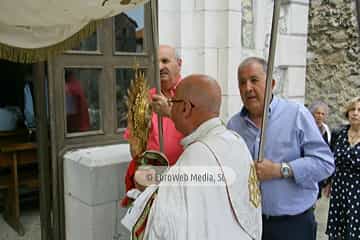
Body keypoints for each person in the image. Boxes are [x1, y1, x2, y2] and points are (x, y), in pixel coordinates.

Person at [123, 74, 262, 240]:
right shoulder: (234, 140)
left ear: (185, 108)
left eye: (172, 103)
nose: (170, 109)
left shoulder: (198, 153)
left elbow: (165, 221)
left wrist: (145, 186)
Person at [227, 57, 334, 240]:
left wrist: (280, 170)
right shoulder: (234, 125)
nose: (248, 88)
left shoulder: (297, 114)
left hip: (292, 225)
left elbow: (325, 164)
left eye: (254, 80)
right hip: (250, 225)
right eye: (242, 82)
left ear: (272, 83)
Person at [122, 45, 184, 205]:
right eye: (157, 62)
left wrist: (169, 111)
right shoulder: (144, 99)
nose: (161, 67)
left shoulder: (191, 92)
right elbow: (135, 148)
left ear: (179, 63)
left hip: (186, 176)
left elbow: (200, 131)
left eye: (165, 61)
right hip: (153, 179)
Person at [326, 97, 360, 240]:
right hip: (339, 187)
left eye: (359, 110)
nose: (355, 113)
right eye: (352, 109)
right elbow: (330, 159)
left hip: (358, 190)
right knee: (338, 231)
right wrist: (328, 182)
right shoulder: (338, 133)